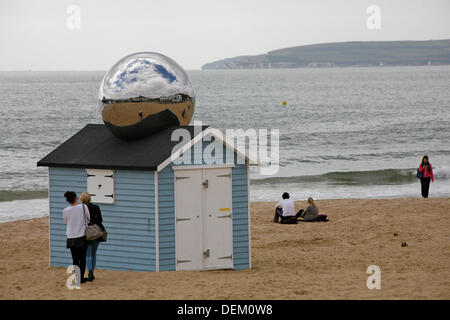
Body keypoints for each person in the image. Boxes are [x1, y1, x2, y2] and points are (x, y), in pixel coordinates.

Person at [63, 191, 89, 284]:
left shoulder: (65, 210)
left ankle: (77, 277)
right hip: (81, 235)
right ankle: (81, 278)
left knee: (75, 258)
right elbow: (88, 218)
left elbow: (66, 222)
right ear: (75, 198)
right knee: (82, 258)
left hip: (71, 236)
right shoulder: (83, 207)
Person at [80, 192, 105, 282]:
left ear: (82, 199)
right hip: (97, 231)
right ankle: (92, 273)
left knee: (87, 254)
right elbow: (100, 219)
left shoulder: (81, 209)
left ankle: (90, 271)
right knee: (94, 253)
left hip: (88, 233)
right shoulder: (96, 207)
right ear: (90, 199)